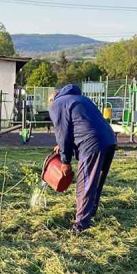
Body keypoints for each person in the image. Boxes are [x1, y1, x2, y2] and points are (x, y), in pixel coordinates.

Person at [48, 84, 117, 234]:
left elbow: (63, 133)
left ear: (54, 98)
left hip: (91, 144)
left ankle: (80, 226)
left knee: (85, 184)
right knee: (96, 181)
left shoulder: (57, 104)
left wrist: (65, 161)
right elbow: (81, 125)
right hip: (109, 140)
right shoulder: (81, 99)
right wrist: (62, 146)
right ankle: (90, 213)